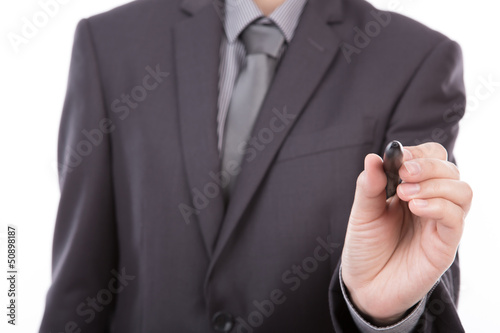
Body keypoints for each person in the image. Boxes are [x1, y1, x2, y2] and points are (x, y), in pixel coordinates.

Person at [40, 0, 472, 331]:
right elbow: (79, 282)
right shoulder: (111, 44)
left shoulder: (414, 60)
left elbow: (420, 268)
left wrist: (381, 313)